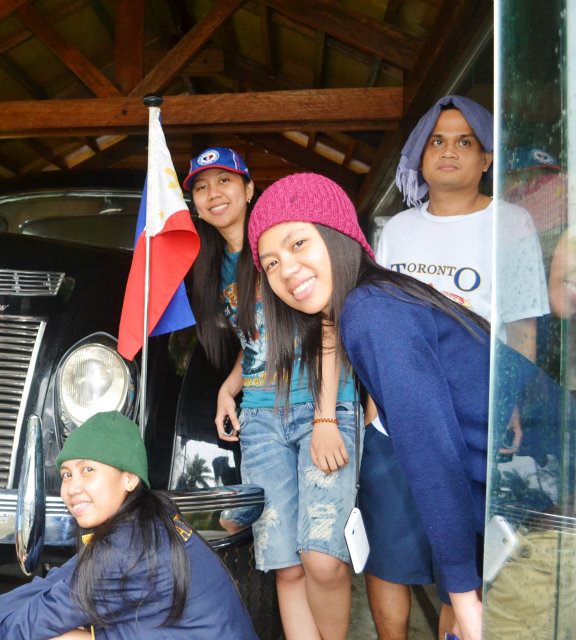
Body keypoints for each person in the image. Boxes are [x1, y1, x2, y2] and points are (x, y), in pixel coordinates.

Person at [249, 172, 501, 640]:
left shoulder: (371, 310)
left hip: (546, 506)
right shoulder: (372, 301)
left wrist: (463, 597)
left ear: (338, 234)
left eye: (299, 243)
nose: (286, 269)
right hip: (512, 499)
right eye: (271, 263)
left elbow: (432, 452)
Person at [372, 96, 549, 639]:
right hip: (396, 421)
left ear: (486, 158)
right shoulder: (398, 230)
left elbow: (521, 327)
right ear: (421, 154)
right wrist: (374, 406)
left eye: (464, 142)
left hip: (472, 419)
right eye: (437, 141)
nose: (448, 151)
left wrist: (509, 402)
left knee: (464, 568)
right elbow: (377, 323)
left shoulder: (511, 223)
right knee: (390, 556)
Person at [183, 147, 356, 639]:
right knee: (285, 564)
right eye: (202, 187)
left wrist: (325, 417)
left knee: (322, 559)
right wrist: (229, 387)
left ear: (249, 188)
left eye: (225, 181)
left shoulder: (282, 243)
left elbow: (330, 321)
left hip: (319, 404)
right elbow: (255, 339)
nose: (214, 194)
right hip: (260, 417)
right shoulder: (214, 267)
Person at [0, 411, 258, 640]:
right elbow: (51, 586)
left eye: (88, 470)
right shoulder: (142, 522)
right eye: (66, 474)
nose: (72, 488)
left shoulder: (127, 549)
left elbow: (37, 620)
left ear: (130, 478)